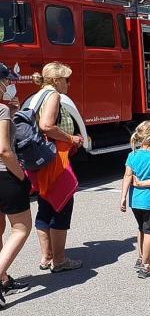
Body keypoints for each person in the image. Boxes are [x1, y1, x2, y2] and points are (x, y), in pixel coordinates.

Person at [29, 62, 84, 272]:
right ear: (56, 80)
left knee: (45, 206)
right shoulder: (53, 95)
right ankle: (59, 261)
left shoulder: (39, 94)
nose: (69, 84)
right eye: (66, 79)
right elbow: (46, 126)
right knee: (61, 206)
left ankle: (46, 257)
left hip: (41, 159)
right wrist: (71, 138)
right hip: (55, 160)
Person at [0, 63, 31, 307]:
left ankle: (3, 279)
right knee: (21, 228)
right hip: (5, 175)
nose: (11, 84)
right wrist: (21, 175)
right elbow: (4, 150)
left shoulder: (6, 108)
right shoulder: (2, 111)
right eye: (8, 81)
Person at [120, 121, 150, 279]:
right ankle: (146, 265)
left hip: (135, 201)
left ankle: (141, 257)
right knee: (149, 232)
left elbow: (127, 176)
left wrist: (123, 197)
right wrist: (142, 183)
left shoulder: (132, 155)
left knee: (141, 228)